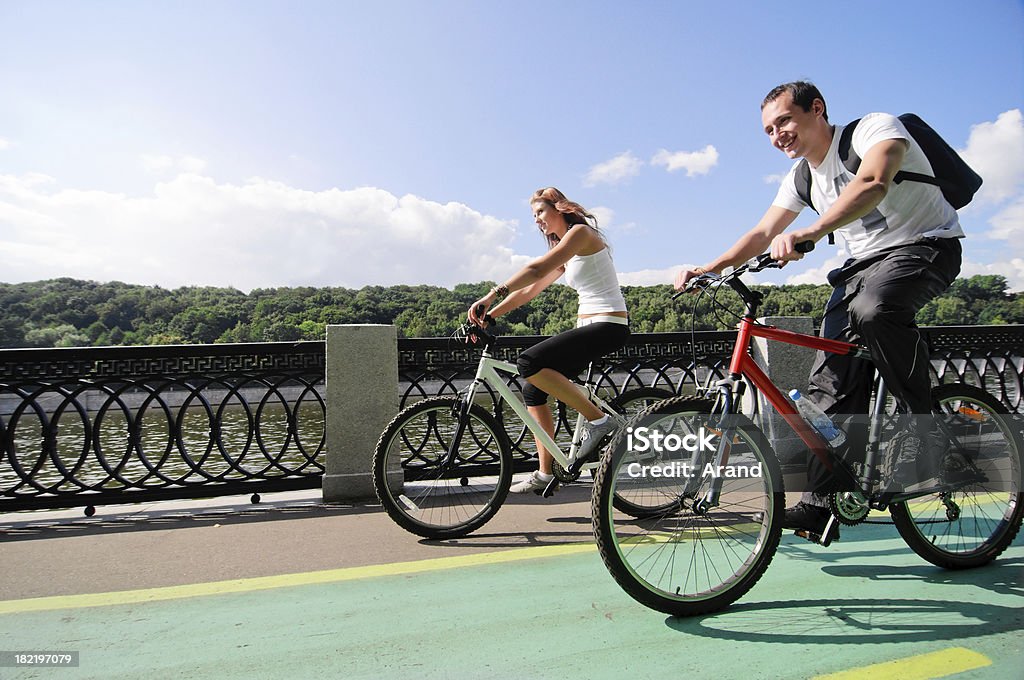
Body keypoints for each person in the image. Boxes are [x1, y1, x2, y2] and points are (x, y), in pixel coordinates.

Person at [674, 81, 963, 542]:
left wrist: (809, 232)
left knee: (874, 311)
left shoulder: (873, 129)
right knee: (826, 387)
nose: (777, 135)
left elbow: (872, 183)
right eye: (769, 130)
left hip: (926, 246)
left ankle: (925, 431)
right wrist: (710, 267)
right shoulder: (800, 178)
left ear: (817, 109)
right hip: (859, 268)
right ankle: (820, 501)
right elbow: (763, 230)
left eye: (784, 121)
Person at [468, 187, 630, 494]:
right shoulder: (566, 249)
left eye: (541, 212)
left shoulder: (581, 233)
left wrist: (490, 295)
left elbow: (535, 269)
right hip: (589, 327)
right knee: (533, 388)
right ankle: (545, 471)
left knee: (528, 362)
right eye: (534, 216)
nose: (538, 221)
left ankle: (599, 421)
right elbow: (531, 288)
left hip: (609, 325)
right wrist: (492, 315)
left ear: (560, 208)